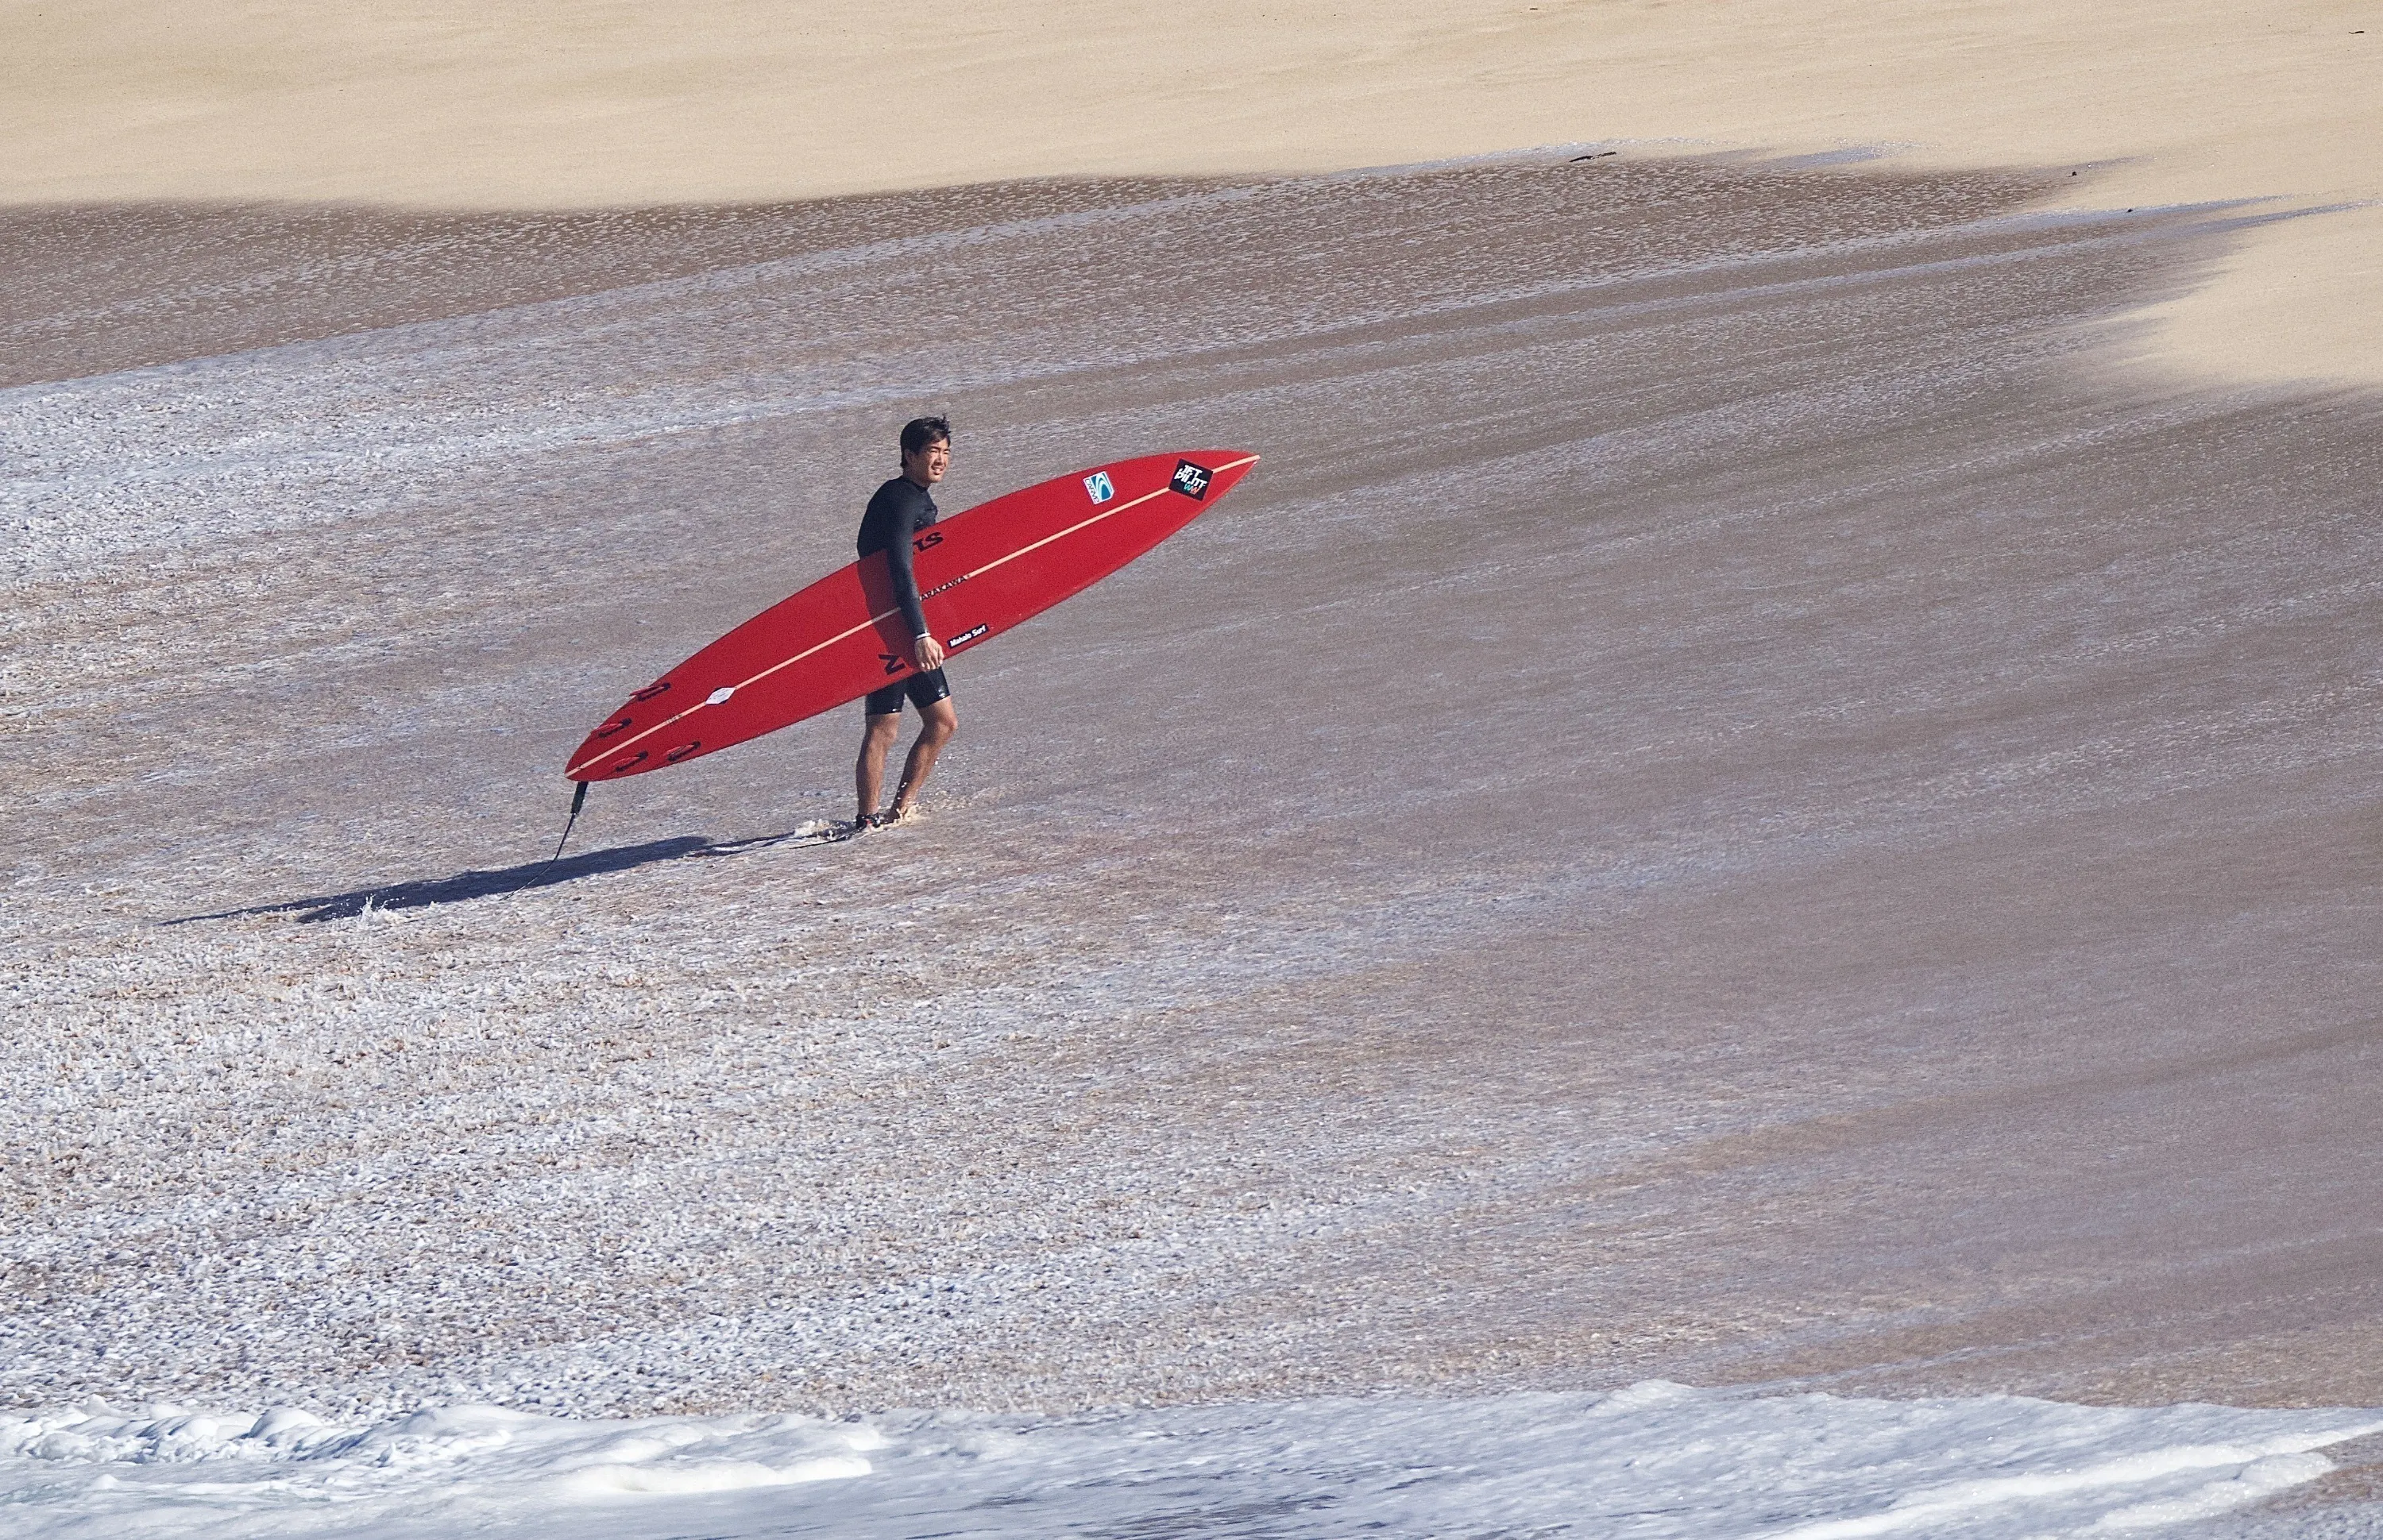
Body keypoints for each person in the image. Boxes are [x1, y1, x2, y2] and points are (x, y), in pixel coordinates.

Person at [854, 416, 958, 828]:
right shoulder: (901, 499)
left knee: (942, 723)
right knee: (884, 727)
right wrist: (920, 632)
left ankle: (899, 809)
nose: (941, 460)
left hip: (904, 623)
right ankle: (867, 819)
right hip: (890, 626)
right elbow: (899, 567)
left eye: (947, 452)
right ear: (909, 455)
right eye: (933, 452)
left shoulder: (915, 497)